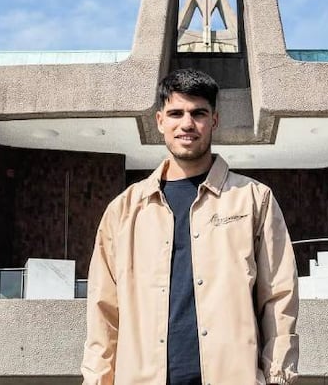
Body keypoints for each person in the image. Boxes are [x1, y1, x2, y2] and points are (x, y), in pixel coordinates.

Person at [82, 68, 299, 385]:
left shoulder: (254, 200)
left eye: (199, 113)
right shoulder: (124, 210)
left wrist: (279, 377)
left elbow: (279, 298)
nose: (187, 124)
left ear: (214, 120)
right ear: (160, 122)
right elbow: (103, 312)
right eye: (175, 113)